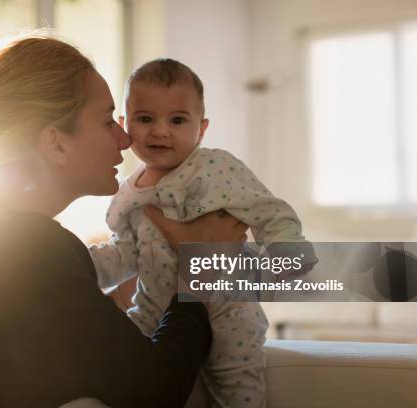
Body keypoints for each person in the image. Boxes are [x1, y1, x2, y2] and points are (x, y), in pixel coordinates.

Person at [0, 35, 250, 408]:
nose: (124, 138)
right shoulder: (31, 248)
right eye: (106, 122)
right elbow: (157, 389)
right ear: (55, 144)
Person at [88, 59, 316, 407]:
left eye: (177, 120)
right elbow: (124, 253)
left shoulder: (214, 168)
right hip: (154, 307)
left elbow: (268, 209)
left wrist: (287, 248)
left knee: (237, 382)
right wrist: (82, 266)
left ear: (202, 128)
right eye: (145, 119)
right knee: (117, 366)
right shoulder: (126, 193)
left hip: (227, 306)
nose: (160, 131)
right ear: (125, 124)